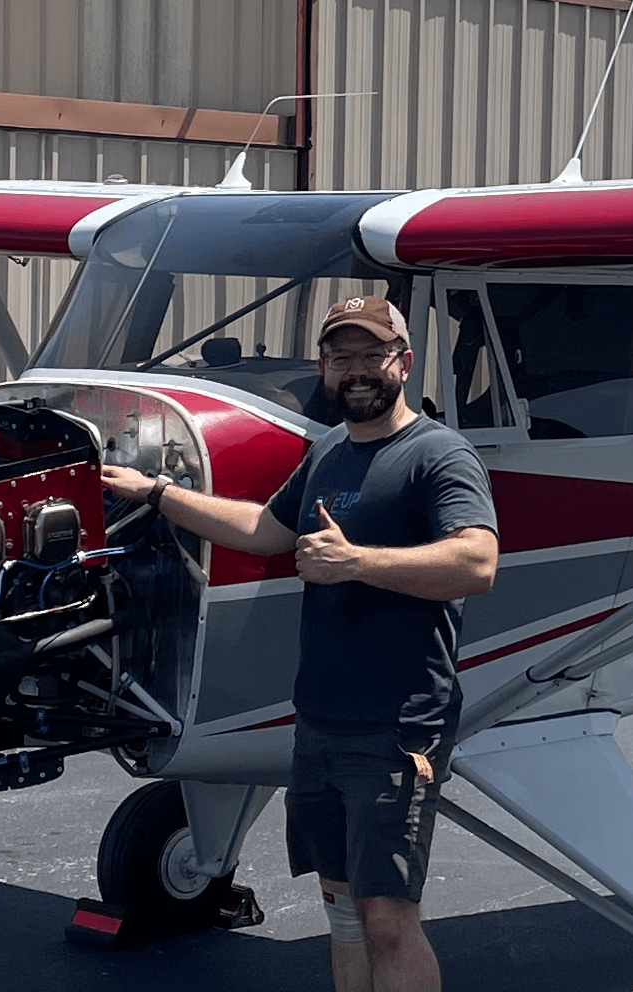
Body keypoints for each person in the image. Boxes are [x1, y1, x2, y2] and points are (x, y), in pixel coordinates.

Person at [102, 295, 498, 992]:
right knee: (342, 913)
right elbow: (263, 530)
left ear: (402, 362)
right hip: (317, 724)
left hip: (395, 728)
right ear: (324, 368)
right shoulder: (329, 453)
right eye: (340, 357)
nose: (356, 371)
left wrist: (357, 563)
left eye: (371, 354)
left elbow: (476, 564)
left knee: (386, 919)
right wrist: (157, 492)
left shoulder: (437, 454)